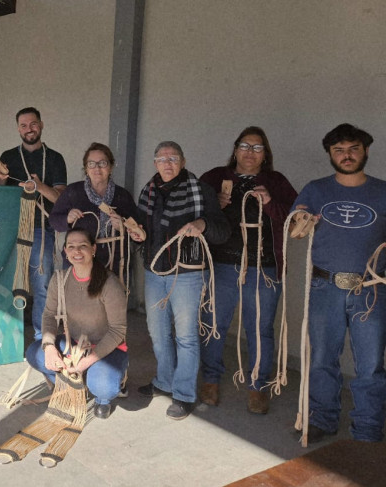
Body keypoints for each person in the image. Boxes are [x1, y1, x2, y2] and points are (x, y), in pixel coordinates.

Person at [293, 123, 386, 443]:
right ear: (330, 155)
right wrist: (302, 220)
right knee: (322, 359)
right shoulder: (316, 190)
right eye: (339, 150)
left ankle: (368, 427)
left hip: (370, 290)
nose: (347, 156)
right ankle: (322, 419)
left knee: (371, 364)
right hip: (325, 288)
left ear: (366, 150)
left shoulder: (383, 191)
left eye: (353, 149)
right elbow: (296, 226)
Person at [198, 127, 297, 414]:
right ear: (235, 149)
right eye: (244, 145)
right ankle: (211, 380)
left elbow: (296, 219)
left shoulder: (276, 182)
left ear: (265, 154)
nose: (250, 152)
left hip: (263, 267)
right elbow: (193, 211)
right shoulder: (215, 177)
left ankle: (258, 385)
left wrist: (269, 203)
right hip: (222, 265)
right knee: (213, 325)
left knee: (261, 329)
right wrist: (212, 205)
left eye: (257, 147)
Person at [130, 141, 230, 420]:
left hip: (188, 274)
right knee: (158, 332)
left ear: (183, 162)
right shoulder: (148, 192)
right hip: (154, 271)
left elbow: (222, 230)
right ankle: (164, 381)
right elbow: (140, 227)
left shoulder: (201, 191)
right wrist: (135, 232)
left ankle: (184, 394)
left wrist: (203, 225)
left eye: (173, 158)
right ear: (155, 164)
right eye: (162, 159)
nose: (167, 163)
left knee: (185, 336)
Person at [25, 228, 128, 419]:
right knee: (34, 353)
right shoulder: (60, 279)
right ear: (65, 251)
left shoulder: (109, 283)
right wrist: (49, 347)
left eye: (83, 246)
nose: (77, 251)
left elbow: (117, 331)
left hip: (105, 348)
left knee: (104, 386)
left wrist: (86, 362)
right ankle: (69, 384)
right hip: (73, 345)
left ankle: (102, 398)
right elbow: (49, 315)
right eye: (71, 246)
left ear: (93, 249)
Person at [0, 107, 67, 339]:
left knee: (42, 285)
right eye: (24, 125)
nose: (29, 129)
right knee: (7, 283)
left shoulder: (55, 158)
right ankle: (6, 338)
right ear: (18, 129)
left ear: (41, 125)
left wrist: (39, 187)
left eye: (33, 124)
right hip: (11, 230)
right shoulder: (8, 157)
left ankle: (41, 338)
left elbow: (59, 199)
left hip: (40, 230)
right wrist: (0, 179)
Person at [50, 142, 138, 272]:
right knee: (77, 292)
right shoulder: (73, 191)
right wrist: (67, 218)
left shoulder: (123, 196)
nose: (97, 168)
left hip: (114, 261)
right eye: (91, 164)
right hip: (78, 260)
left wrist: (123, 226)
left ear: (111, 167)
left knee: (112, 292)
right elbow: (53, 221)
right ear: (86, 168)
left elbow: (138, 231)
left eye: (102, 163)